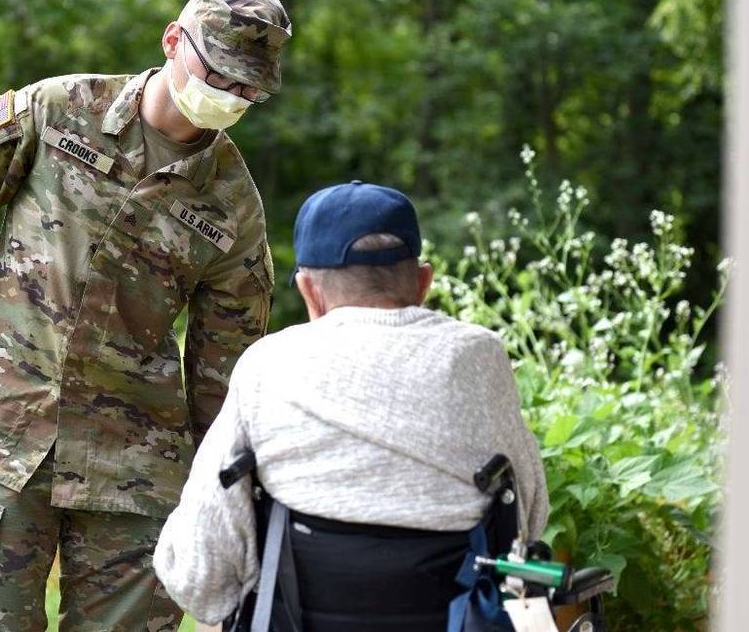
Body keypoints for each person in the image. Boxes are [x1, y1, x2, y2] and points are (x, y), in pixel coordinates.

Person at [0, 0, 291, 632]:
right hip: (4, 434)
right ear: (173, 40)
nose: (229, 95)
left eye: (247, 88)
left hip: (133, 468)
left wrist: (220, 492)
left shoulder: (232, 205)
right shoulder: (55, 111)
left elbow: (226, 364)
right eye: (219, 74)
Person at [153, 181, 549, 627]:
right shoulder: (478, 356)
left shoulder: (268, 365)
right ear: (423, 282)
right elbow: (528, 514)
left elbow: (198, 574)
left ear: (309, 292)